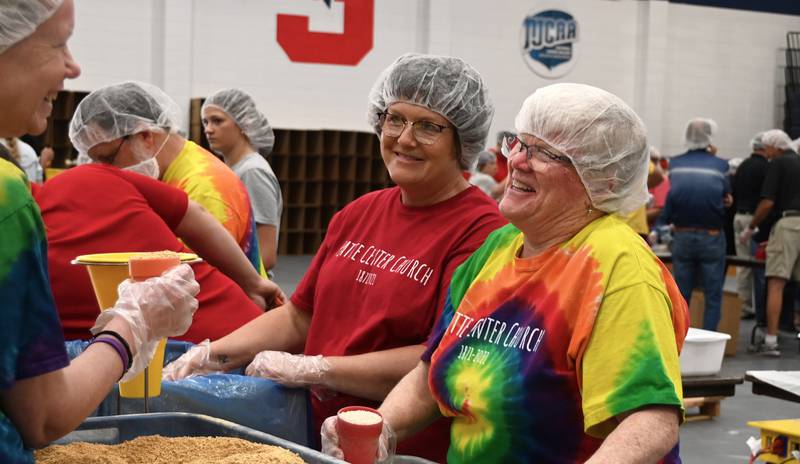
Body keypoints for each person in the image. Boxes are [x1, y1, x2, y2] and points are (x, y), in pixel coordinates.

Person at [318, 82, 690, 463]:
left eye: (546, 153)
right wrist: (382, 427)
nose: (517, 161)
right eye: (520, 143)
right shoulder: (497, 249)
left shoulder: (616, 269)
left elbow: (650, 420)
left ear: (603, 181)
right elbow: (429, 373)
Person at [164, 53, 507, 462]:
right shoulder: (360, 213)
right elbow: (300, 316)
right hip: (313, 435)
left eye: (429, 126)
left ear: (462, 139)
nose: (404, 138)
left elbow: (441, 359)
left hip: (397, 447)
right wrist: (210, 355)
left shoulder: (482, 233)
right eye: (394, 118)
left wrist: (315, 368)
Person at [0, 2, 200, 462]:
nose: (73, 65)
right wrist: (129, 327)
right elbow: (45, 416)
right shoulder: (9, 199)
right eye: (58, 42)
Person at [35, 161, 283, 342]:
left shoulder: (24, 270)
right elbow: (195, 214)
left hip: (176, 382)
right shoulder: (85, 177)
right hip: (254, 335)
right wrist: (253, 283)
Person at [68, 81, 266, 275]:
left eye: (109, 159)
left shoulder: (205, 189)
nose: (106, 170)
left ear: (145, 135)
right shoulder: (171, 170)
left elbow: (193, 284)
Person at [201, 89, 283, 272]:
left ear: (243, 123)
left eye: (217, 121)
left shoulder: (252, 172)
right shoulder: (233, 170)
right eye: (205, 122)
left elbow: (266, 255)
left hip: (246, 288)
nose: (208, 129)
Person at [662, 117, 731, 331]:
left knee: (681, 295)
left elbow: (670, 200)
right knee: (713, 294)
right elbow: (725, 197)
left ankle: (679, 341)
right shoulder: (721, 165)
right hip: (711, 238)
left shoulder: (674, 164)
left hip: (682, 237)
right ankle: (709, 337)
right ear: (710, 137)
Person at [740, 129, 800, 357]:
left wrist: (751, 227)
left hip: (788, 225)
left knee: (776, 281)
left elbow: (767, 203)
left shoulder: (778, 163)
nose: (765, 153)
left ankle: (771, 341)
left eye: (767, 149)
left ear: (775, 147)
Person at [732, 133, 769, 320]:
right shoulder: (766, 168)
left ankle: (743, 305)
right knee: (758, 267)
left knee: (741, 264)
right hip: (754, 221)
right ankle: (760, 309)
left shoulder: (743, 166)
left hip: (738, 216)